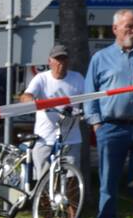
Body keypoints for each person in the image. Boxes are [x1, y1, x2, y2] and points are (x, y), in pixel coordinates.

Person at [83, 8, 133, 218]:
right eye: (129, 26)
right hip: (111, 128)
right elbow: (90, 93)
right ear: (116, 29)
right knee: (108, 179)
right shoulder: (101, 58)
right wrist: (96, 123)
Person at [18, 44, 85, 181]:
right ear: (50, 61)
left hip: (70, 138)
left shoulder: (77, 78)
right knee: (42, 178)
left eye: (64, 59)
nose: (61, 62)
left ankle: (69, 202)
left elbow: (89, 98)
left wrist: (86, 113)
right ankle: (41, 201)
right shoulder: (41, 78)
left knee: (71, 178)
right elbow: (26, 96)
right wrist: (35, 102)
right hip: (44, 137)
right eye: (57, 59)